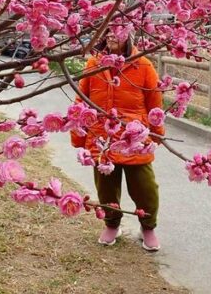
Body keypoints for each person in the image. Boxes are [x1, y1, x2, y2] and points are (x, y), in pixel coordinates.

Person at [71, 25, 165, 251]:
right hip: (101, 137)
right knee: (106, 187)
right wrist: (78, 137)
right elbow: (81, 101)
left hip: (135, 138)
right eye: (108, 31)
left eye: (118, 31)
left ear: (129, 36)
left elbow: (155, 103)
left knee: (145, 187)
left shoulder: (143, 64)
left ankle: (148, 226)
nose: (111, 35)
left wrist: (156, 134)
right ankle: (112, 223)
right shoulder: (93, 64)